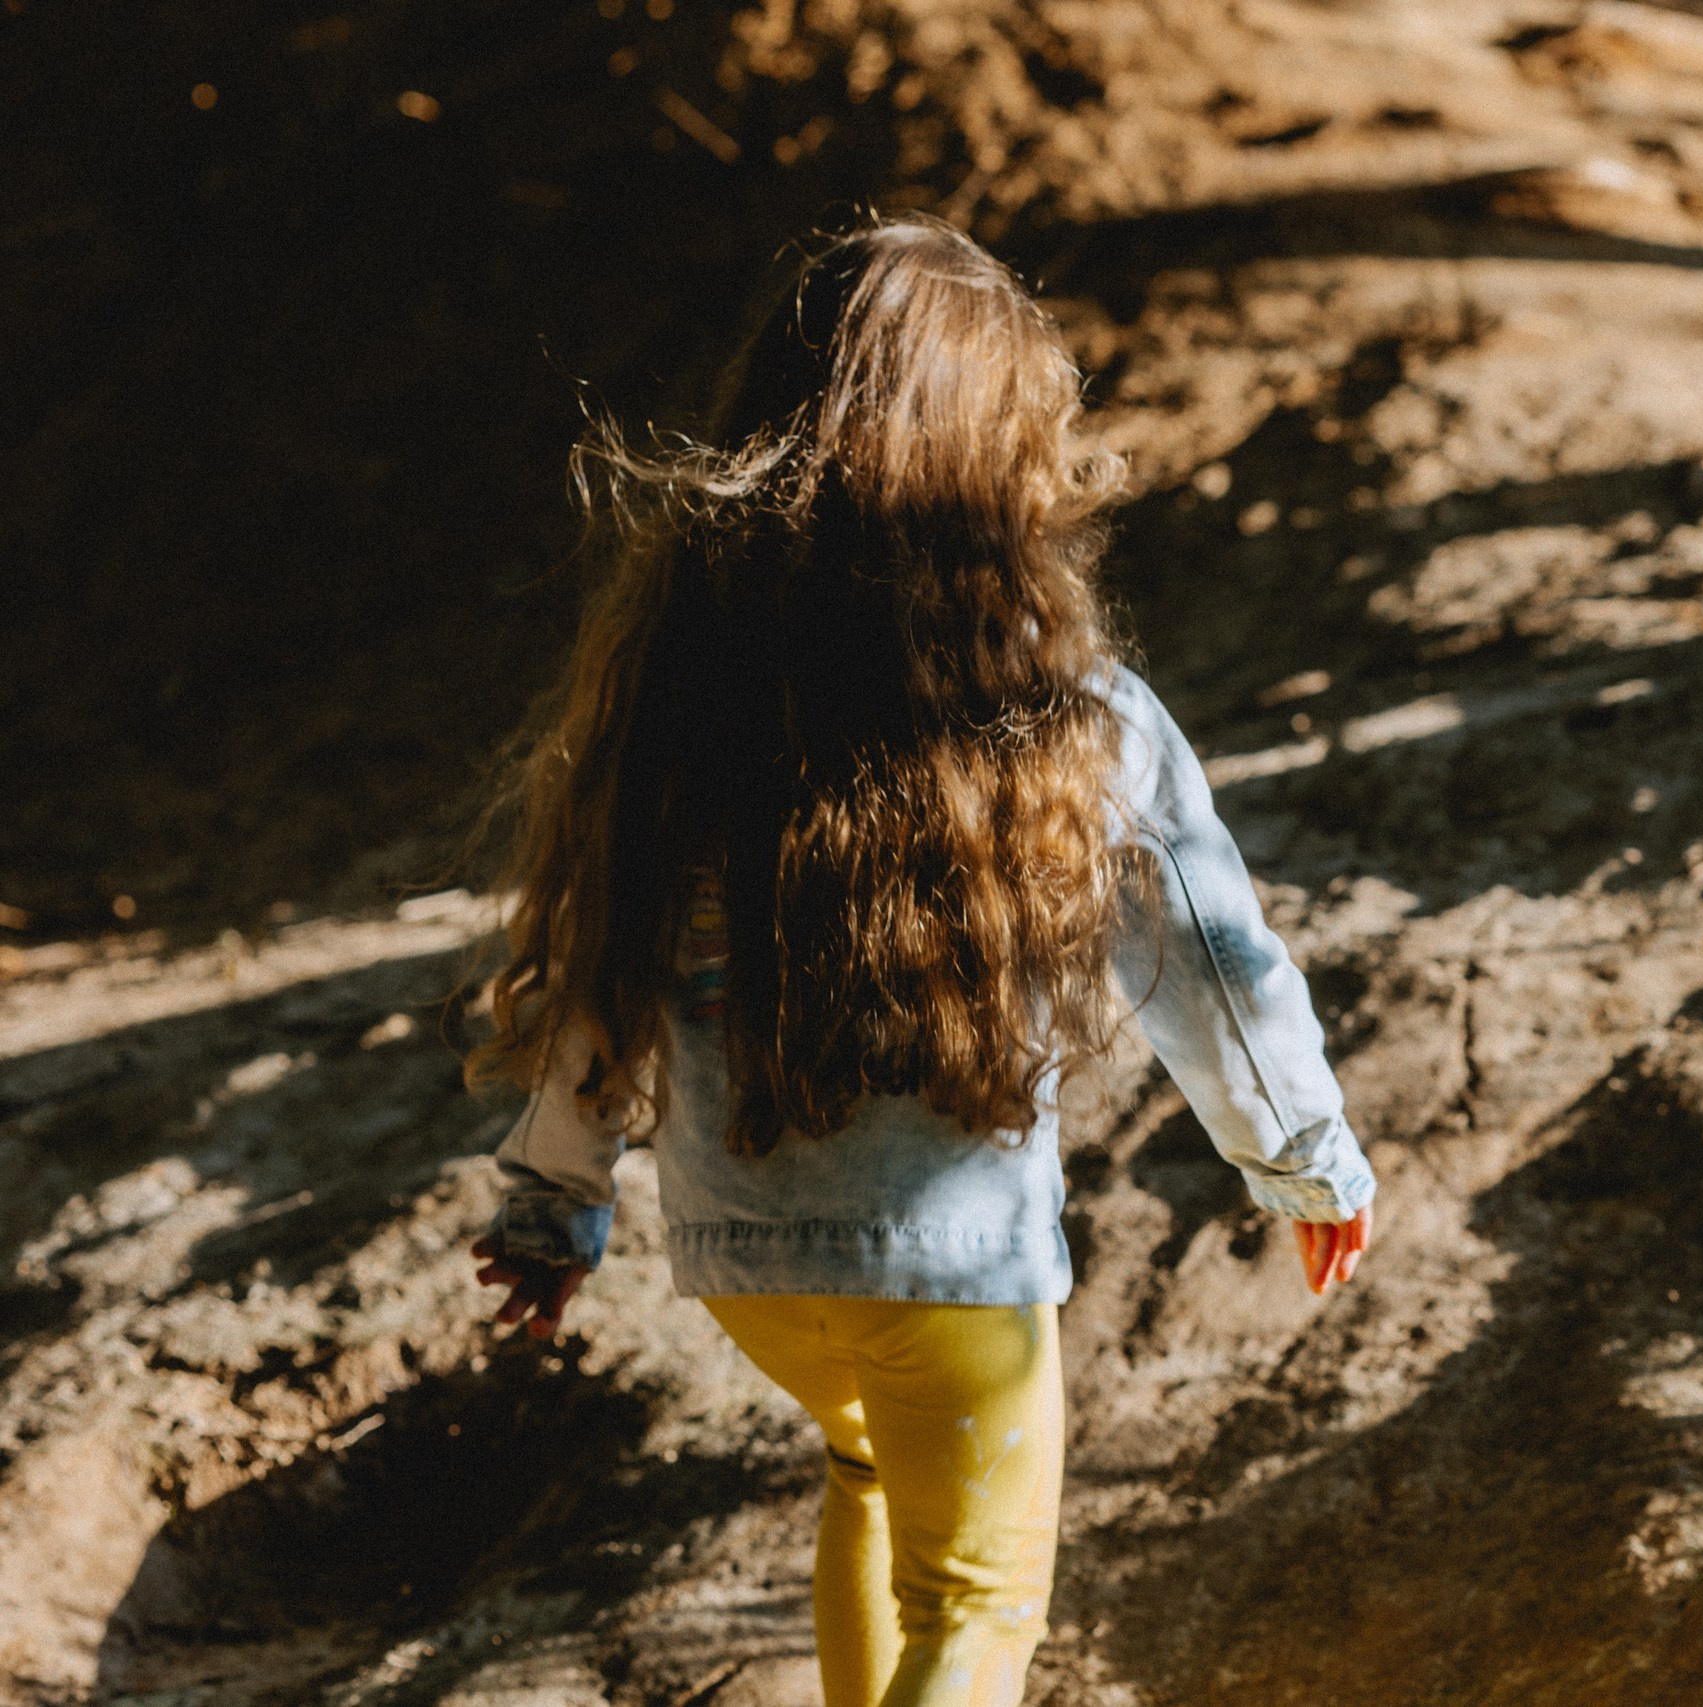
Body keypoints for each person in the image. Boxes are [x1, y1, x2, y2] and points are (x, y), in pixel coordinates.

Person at [460, 217, 1376, 1707]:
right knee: (981, 1602)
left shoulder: (680, 705)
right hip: (951, 1277)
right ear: (1009, 464)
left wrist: (552, 1203)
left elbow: (600, 974)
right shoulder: (1080, 721)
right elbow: (1215, 966)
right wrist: (1305, 1159)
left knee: (869, 1470)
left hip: (751, 1270)